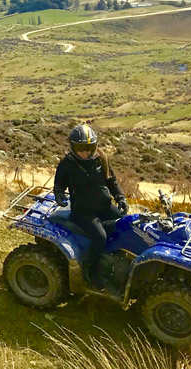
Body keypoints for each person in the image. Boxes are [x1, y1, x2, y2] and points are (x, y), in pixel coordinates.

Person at [53, 124, 128, 290]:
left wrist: (120, 197)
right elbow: (59, 185)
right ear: (73, 147)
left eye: (88, 148)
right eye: (80, 148)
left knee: (127, 223)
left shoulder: (101, 158)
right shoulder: (67, 164)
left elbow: (111, 181)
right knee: (100, 236)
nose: (85, 152)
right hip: (83, 211)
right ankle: (91, 272)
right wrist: (59, 195)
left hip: (104, 206)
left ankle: (117, 259)